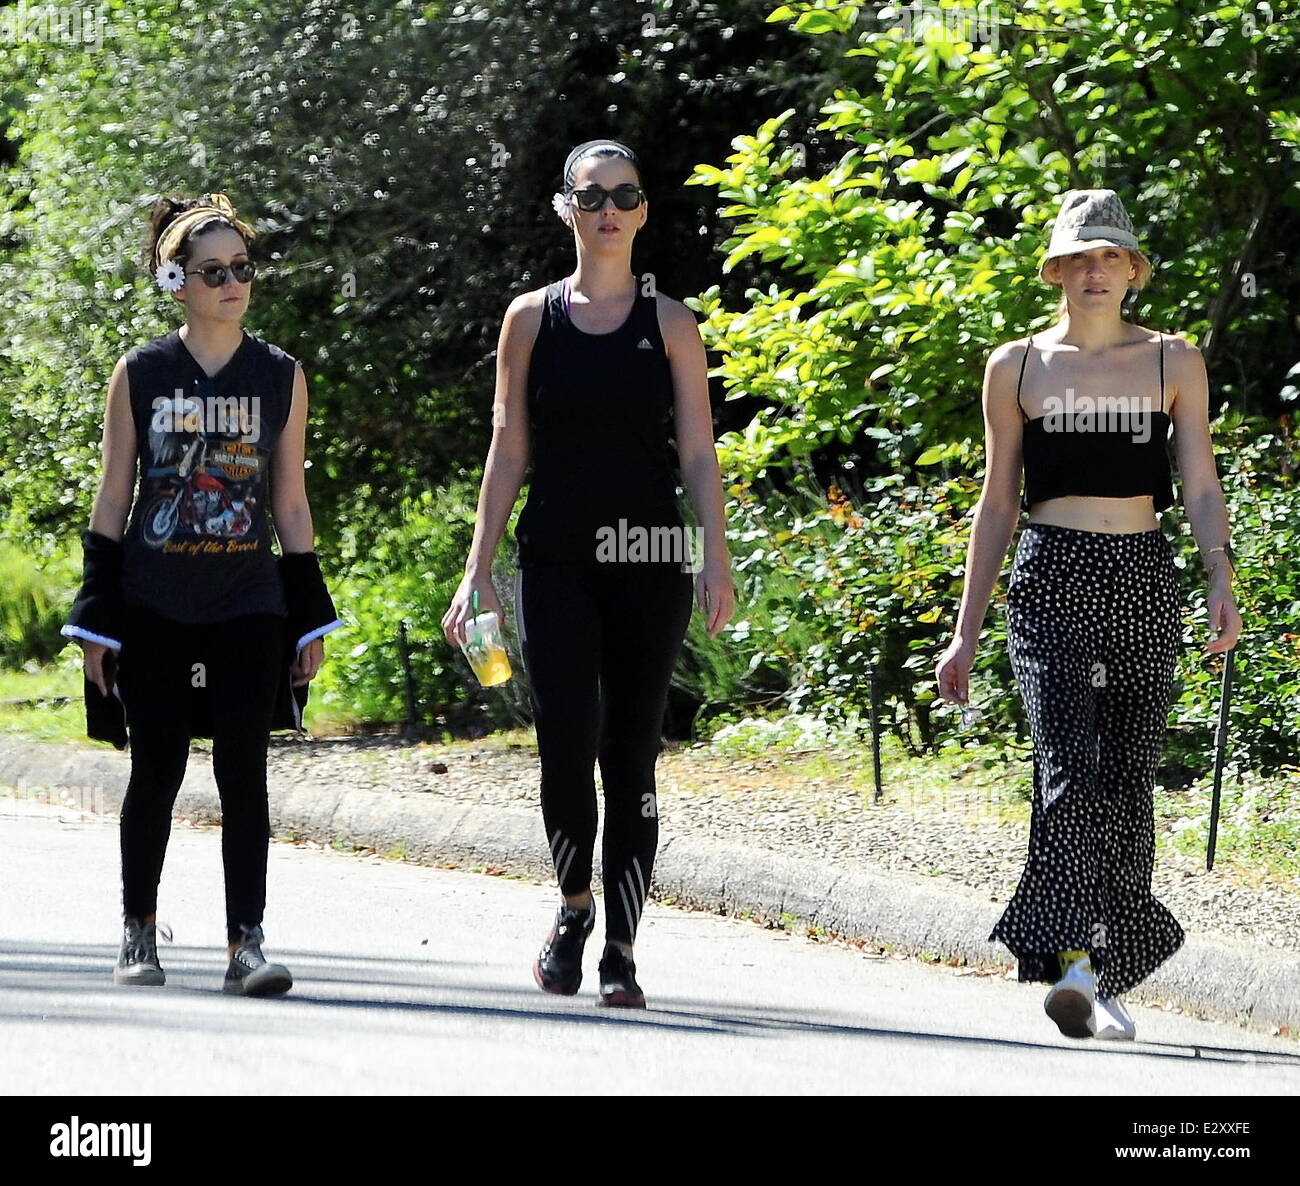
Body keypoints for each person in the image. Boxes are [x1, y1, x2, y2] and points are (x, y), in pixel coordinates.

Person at [935, 189, 1242, 1040]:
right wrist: (965, 629)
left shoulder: (1172, 361)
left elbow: (1201, 486)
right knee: (1068, 773)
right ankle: (1072, 969)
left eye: (1110, 256)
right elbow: (996, 504)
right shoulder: (1018, 367)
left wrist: (1220, 580)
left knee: (1128, 783)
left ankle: (1105, 967)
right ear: (1057, 271)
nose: (1095, 271)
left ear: (1133, 270)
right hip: (1050, 576)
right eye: (1080, 257)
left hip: (1143, 572)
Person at [441, 140, 735, 1007]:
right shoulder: (530, 319)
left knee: (632, 754)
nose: (609, 209)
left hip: (649, 559)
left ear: (644, 212)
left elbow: (696, 448)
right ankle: (574, 911)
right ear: (566, 209)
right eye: (592, 195)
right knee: (567, 743)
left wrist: (714, 553)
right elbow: (508, 443)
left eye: (626, 195)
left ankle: (623, 949)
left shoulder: (672, 323)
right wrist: (479, 568)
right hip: (559, 557)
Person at [61, 193, 343, 996]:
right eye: (213, 271)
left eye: (242, 269)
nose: (232, 283)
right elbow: (113, 499)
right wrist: (96, 623)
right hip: (153, 599)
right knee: (156, 769)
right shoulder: (141, 373)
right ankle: (138, 932)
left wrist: (308, 617)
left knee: (243, 773)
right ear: (175, 281)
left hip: (248, 599)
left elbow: (289, 502)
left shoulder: (279, 374)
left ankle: (244, 945)